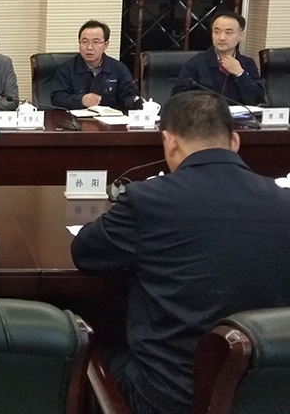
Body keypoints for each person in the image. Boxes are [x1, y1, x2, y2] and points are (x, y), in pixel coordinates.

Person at [71, 91, 290, 414]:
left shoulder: (148, 200)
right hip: (264, 396)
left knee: (85, 348)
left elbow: (85, 252)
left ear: (169, 141)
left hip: (165, 396)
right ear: (234, 141)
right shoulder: (283, 202)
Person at [172, 12, 264, 105]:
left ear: (240, 36)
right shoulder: (196, 63)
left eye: (228, 33)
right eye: (217, 32)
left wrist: (240, 74)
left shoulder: (248, 63)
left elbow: (257, 100)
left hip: (239, 114)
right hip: (206, 113)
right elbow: (178, 97)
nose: (222, 38)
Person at [51, 19, 142, 110]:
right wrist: (81, 100)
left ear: (106, 45)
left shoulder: (118, 69)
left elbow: (128, 96)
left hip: (109, 118)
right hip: (75, 117)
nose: (89, 47)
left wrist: (136, 101)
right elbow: (57, 98)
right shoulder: (66, 69)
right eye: (84, 42)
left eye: (95, 42)